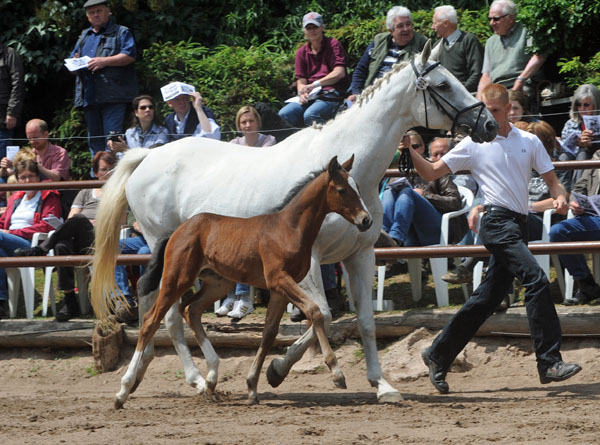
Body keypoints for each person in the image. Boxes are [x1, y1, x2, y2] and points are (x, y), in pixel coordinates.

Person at [413, 83, 581, 394]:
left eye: (495, 111)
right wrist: (409, 151)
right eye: (485, 111)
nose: (489, 117)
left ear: (507, 109)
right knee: (536, 278)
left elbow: (555, 184)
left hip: (519, 225)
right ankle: (549, 362)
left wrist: (559, 198)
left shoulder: (529, 141)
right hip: (496, 222)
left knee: (485, 300)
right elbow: (433, 172)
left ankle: (438, 353)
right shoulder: (473, 144)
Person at [12, 152, 135, 322]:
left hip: (103, 237)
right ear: (95, 172)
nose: (107, 174)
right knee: (62, 245)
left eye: (110, 169)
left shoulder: (119, 193)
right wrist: (85, 222)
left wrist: (98, 222)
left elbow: (122, 221)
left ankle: (41, 249)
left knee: (79, 220)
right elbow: (71, 217)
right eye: (102, 170)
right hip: (80, 237)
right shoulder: (86, 191)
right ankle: (70, 301)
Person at [215, 105, 276, 319]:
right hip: (237, 200)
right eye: (243, 122)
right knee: (230, 244)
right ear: (238, 125)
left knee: (244, 244)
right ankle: (231, 295)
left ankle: (244, 298)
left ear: (258, 122)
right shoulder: (233, 144)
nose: (247, 125)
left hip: (261, 203)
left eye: (251, 121)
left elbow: (262, 169)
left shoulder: (268, 142)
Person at [70, 0, 138, 160]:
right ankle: (97, 180)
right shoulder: (83, 36)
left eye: (99, 11)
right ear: (88, 17)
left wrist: (103, 61)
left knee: (112, 142)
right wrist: (74, 63)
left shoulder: (121, 32)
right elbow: (71, 62)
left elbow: (129, 55)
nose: (96, 15)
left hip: (113, 97)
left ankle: (113, 179)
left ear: (108, 12)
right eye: (92, 13)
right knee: (94, 143)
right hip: (89, 98)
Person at [0, 160, 61, 319]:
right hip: (7, 241)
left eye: (31, 176)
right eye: (23, 177)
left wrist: (14, 232)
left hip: (30, 245)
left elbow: (47, 226)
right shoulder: (15, 197)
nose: (27, 181)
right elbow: (3, 222)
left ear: (38, 177)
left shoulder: (48, 195)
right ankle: (1, 302)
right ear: (18, 179)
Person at [381, 135, 467, 248]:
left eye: (413, 147)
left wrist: (425, 195)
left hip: (439, 230)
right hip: (411, 232)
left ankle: (394, 238)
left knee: (407, 192)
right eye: (403, 149)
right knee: (389, 191)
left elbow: (455, 202)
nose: (408, 151)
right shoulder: (399, 170)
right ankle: (384, 235)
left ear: (422, 148)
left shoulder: (436, 170)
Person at [278, 12, 348, 127]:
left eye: (315, 27)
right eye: (308, 28)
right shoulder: (301, 52)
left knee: (311, 115)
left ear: (322, 27)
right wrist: (302, 92)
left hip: (331, 93)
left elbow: (339, 73)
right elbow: (301, 80)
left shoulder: (333, 44)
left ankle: (324, 142)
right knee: (284, 114)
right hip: (311, 94)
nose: (312, 30)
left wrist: (314, 85)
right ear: (304, 31)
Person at [549, 149, 600, 305]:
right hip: (592, 217)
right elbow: (579, 187)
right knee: (558, 232)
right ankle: (586, 284)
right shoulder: (597, 155)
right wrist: (576, 203)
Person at [349, 6, 426, 102]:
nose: (406, 29)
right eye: (400, 26)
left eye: (408, 24)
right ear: (390, 30)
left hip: (400, 98)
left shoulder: (422, 43)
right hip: (371, 94)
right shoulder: (379, 40)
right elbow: (361, 69)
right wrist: (356, 93)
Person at [477, 0, 545, 99]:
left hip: (523, 85)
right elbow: (486, 76)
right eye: (490, 19)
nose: (492, 23)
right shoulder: (490, 42)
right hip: (498, 89)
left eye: (496, 19)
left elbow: (539, 57)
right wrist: (479, 100)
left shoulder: (526, 31)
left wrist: (520, 79)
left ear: (511, 18)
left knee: (510, 102)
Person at [431, 5, 483, 93]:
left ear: (446, 23)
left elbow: (476, 74)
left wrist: (459, 93)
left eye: (435, 23)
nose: (432, 27)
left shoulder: (468, 41)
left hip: (467, 97)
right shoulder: (436, 46)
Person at [560, 84, 600, 187]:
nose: (582, 108)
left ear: (595, 105)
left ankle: (577, 193)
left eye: (586, 105)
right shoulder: (570, 123)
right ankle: (563, 192)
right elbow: (565, 148)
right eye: (578, 104)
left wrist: (591, 144)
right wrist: (577, 143)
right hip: (573, 157)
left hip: (594, 157)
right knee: (564, 157)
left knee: (583, 154)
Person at [0, 44, 24, 160]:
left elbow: (18, 84)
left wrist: (12, 112)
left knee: (4, 160)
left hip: (3, 117)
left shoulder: (9, 54)